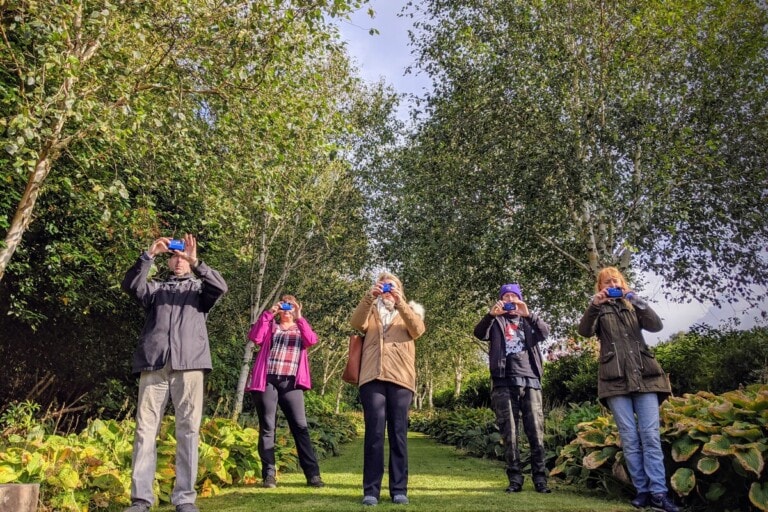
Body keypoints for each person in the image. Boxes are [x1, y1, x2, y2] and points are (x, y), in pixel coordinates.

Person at [121, 234, 228, 512]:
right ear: (168, 260)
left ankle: (184, 498)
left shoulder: (200, 291)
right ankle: (141, 499)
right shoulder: (155, 289)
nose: (179, 262)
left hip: (190, 366)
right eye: (175, 256)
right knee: (145, 430)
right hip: (153, 364)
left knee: (188, 431)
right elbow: (131, 286)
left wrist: (198, 262)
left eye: (184, 258)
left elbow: (221, 286)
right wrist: (149, 254)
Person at [577, 267, 678, 512]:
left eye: (616, 280)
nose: (612, 284)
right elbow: (584, 331)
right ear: (600, 287)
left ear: (623, 282)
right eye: (606, 282)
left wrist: (635, 298)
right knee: (630, 439)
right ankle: (642, 491)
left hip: (646, 376)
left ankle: (658, 492)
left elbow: (656, 326)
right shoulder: (599, 309)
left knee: (650, 436)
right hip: (614, 380)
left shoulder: (633, 304)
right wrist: (594, 305)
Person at [349, 273, 426, 507]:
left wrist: (400, 302)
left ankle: (399, 489)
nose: (387, 291)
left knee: (398, 434)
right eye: (383, 285)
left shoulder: (409, 311)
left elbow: (418, 330)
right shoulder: (371, 309)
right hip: (371, 377)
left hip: (401, 380)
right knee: (373, 434)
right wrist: (368, 297)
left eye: (392, 286)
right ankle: (370, 491)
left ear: (400, 289)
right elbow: (355, 324)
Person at [473, 283, 552, 494]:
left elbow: (545, 333)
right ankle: (515, 479)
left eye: (514, 296)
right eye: (506, 296)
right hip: (503, 381)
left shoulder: (528, 320)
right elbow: (479, 333)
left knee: (536, 431)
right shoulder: (496, 321)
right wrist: (490, 315)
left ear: (520, 299)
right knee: (510, 433)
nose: (510, 300)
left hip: (531, 379)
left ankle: (540, 480)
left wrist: (529, 315)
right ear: (501, 300)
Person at [246, 294, 325, 489]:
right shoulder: (271, 327)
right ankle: (269, 476)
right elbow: (255, 337)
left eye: (291, 305)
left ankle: (313, 475)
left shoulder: (300, 328)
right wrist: (270, 313)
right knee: (267, 427)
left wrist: (299, 316)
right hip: (267, 381)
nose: (287, 309)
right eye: (284, 305)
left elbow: (312, 340)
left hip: (291, 383)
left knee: (300, 427)